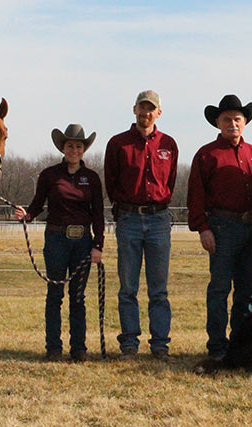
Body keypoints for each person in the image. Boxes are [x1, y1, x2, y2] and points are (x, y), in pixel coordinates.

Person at [14, 124, 104, 362]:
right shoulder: (49, 175)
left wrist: (98, 244)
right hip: (56, 240)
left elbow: (98, 215)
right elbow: (37, 204)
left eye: (78, 146)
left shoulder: (92, 179)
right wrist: (27, 216)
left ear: (83, 150)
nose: (74, 150)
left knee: (78, 296)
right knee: (55, 294)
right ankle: (53, 347)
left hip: (83, 241)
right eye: (70, 146)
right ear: (63, 148)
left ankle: (79, 349)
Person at [187, 94, 252, 360]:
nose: (233, 123)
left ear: (245, 122)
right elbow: (195, 197)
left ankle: (242, 345)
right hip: (222, 227)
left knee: (247, 291)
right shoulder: (207, 155)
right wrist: (203, 228)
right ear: (218, 123)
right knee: (219, 289)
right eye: (227, 119)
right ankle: (218, 348)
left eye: (237, 119)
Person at [104, 90, 178, 360]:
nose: (146, 113)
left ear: (158, 112)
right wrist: (125, 208)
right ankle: (129, 345)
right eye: (142, 107)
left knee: (159, 289)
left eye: (151, 109)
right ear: (134, 109)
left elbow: (169, 183)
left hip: (159, 219)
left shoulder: (168, 144)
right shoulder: (118, 144)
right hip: (129, 219)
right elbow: (111, 182)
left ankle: (160, 345)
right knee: (128, 288)